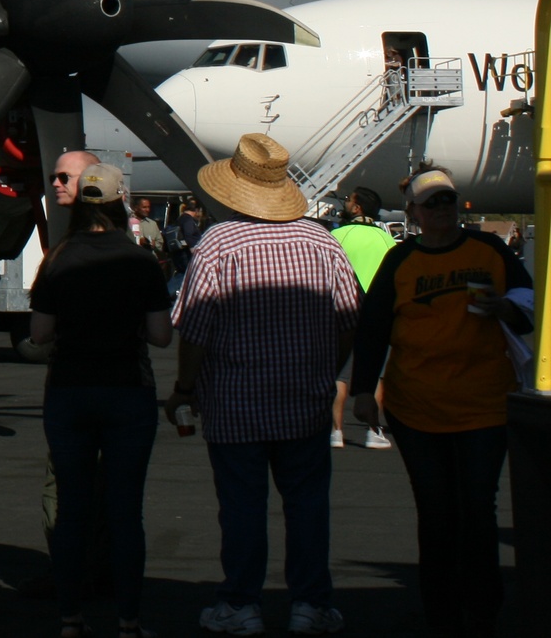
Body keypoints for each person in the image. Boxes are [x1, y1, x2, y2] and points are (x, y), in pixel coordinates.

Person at [166, 134, 361, 637]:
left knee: (242, 508)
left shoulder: (218, 245)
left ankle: (241, 603)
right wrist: (323, 367)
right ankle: (310, 605)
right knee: (308, 508)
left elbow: (195, 329)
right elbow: (349, 321)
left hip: (236, 403)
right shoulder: (323, 242)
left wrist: (185, 388)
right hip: (306, 401)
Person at [350, 168, 534, 638]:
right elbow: (373, 327)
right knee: (435, 512)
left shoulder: (488, 250)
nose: (442, 208)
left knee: (478, 507)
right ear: (412, 213)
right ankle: (441, 611)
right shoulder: (401, 259)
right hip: (418, 407)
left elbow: (527, 297)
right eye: (431, 203)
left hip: (483, 404)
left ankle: (484, 608)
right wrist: (363, 391)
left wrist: (506, 308)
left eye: (448, 200)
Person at [29, 163, 171, 638]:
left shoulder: (58, 259)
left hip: (70, 388)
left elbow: (41, 333)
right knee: (125, 509)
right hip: (127, 388)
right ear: (118, 203)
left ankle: (70, 616)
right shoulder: (140, 261)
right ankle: (129, 619)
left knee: (72, 506)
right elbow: (160, 336)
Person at [328, 187, 394, 450]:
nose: (344, 203)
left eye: (348, 200)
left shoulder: (336, 236)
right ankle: (373, 430)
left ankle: (335, 431)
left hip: (341, 311)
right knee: (376, 375)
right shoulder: (386, 239)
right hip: (377, 313)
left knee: (339, 375)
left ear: (357, 208)